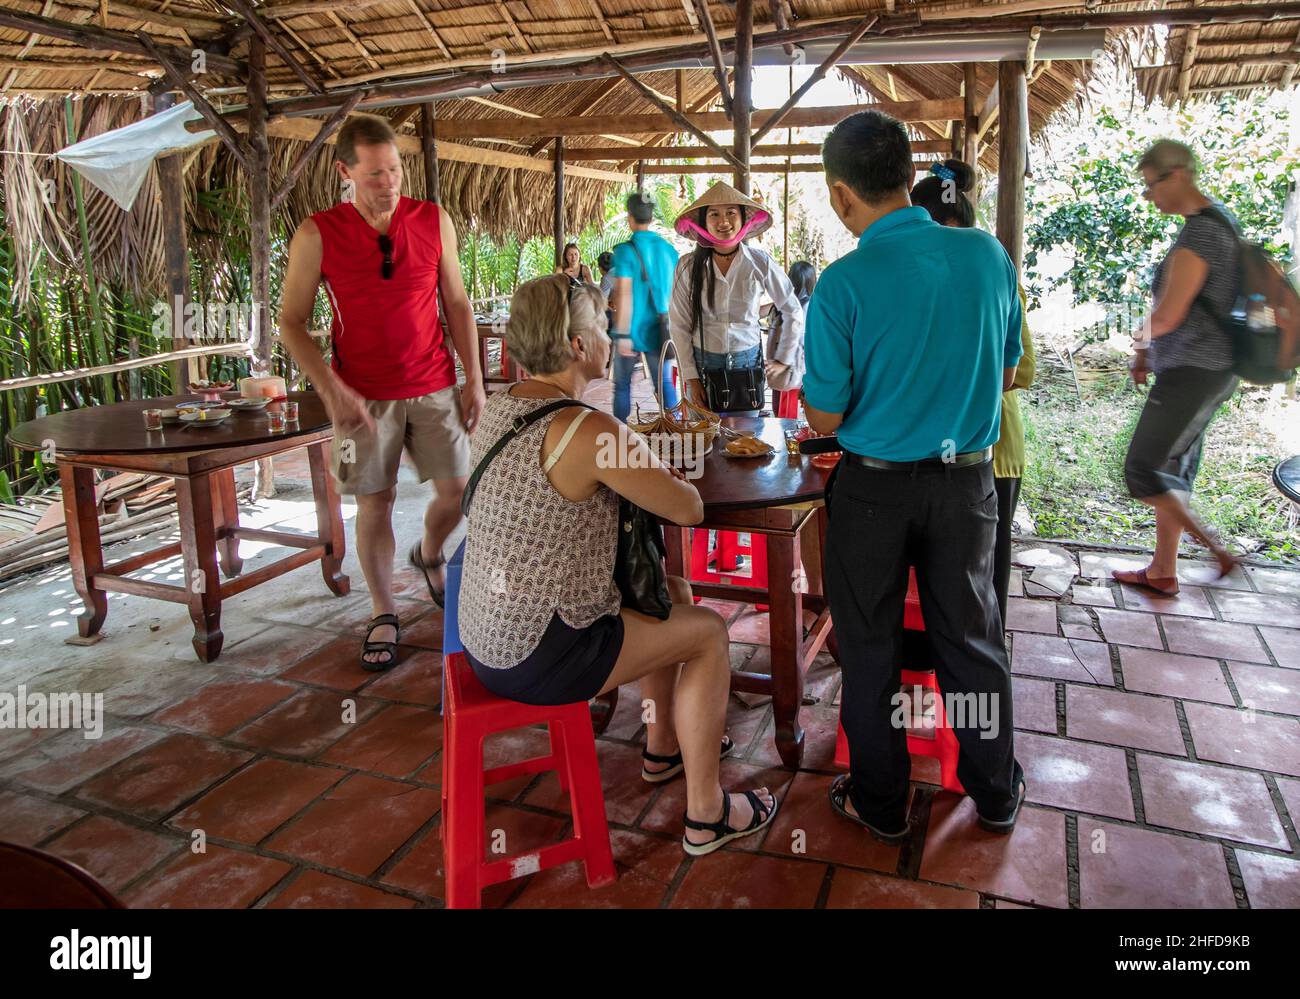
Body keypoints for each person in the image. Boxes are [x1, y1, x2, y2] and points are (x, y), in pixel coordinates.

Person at [458, 274, 778, 855]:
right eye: (602, 327)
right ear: (577, 347)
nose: (612, 336)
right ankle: (708, 813)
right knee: (707, 633)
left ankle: (662, 747)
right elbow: (688, 508)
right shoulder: (587, 428)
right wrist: (663, 474)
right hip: (545, 651)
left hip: (484, 641)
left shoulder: (498, 409)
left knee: (670, 589)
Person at [804, 110, 1025, 840]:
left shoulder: (842, 284)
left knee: (869, 643)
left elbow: (826, 418)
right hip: (967, 483)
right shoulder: (989, 257)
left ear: (842, 195)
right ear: (908, 177)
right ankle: (994, 793)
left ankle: (881, 802)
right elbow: (1010, 369)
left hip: (872, 488)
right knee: (971, 636)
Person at [279, 113, 485, 671]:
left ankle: (430, 551)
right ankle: (383, 611)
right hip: (362, 397)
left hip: (435, 382)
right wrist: (332, 391)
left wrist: (475, 379)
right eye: (374, 174)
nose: (389, 183)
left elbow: (458, 304)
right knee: (375, 501)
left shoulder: (432, 219)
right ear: (345, 171)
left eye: (395, 170)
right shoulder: (317, 233)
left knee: (457, 491)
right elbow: (291, 322)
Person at [911, 160, 1036, 627]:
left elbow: (1022, 368)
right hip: (923, 455)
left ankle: (983, 664)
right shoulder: (903, 283)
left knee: (984, 579)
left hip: (992, 452)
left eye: (959, 235)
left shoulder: (994, 273)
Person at [1116, 139, 1240, 594]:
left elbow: (1168, 314)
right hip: (1210, 370)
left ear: (1179, 174)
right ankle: (1163, 571)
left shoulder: (1201, 235)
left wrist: (1140, 342)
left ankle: (1218, 550)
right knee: (1171, 470)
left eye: (1151, 186)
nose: (1149, 196)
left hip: (1193, 371)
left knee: (1142, 469)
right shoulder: (1220, 221)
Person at [669, 182, 804, 417]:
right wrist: (691, 379)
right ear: (704, 221)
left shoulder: (759, 262)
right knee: (703, 444)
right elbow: (678, 324)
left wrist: (783, 358)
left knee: (745, 444)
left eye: (731, 213)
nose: (723, 221)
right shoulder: (688, 266)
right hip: (701, 368)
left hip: (747, 367)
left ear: (743, 218)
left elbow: (792, 309)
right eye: (715, 214)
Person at [610, 193, 680, 422]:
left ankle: (619, 434)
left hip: (631, 329)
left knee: (622, 386)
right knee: (664, 383)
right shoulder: (668, 250)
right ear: (651, 217)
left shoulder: (624, 252)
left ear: (630, 218)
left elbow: (625, 293)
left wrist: (622, 334)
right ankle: (677, 432)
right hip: (661, 329)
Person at [768, 260, 815, 415]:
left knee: (781, 413)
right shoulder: (810, 307)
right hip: (798, 373)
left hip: (778, 370)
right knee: (792, 418)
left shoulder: (780, 306)